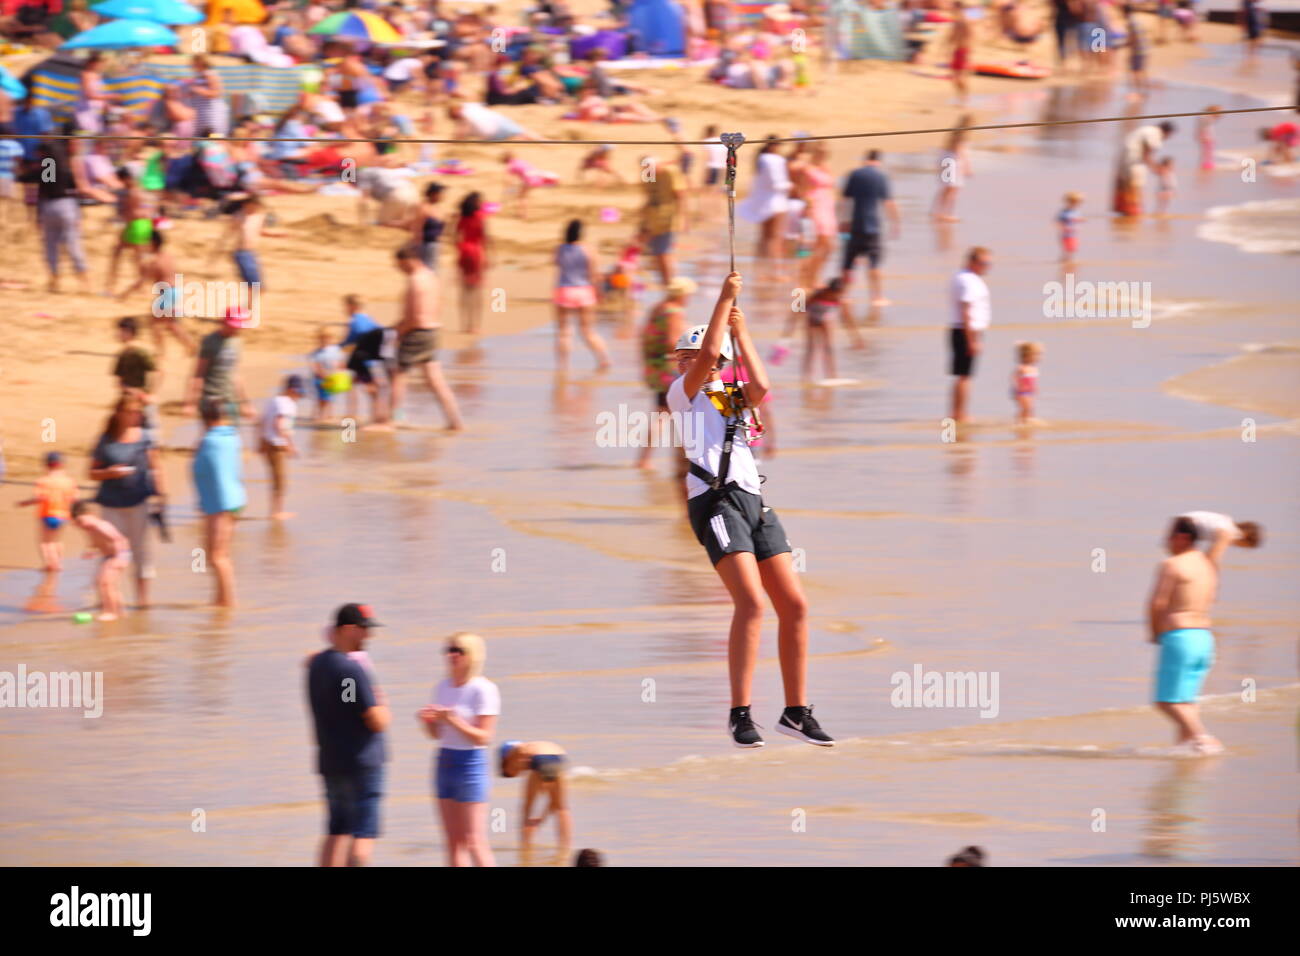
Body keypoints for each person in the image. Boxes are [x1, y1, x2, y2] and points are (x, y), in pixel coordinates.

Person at [666, 272, 834, 749]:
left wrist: (742, 332)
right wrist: (723, 298)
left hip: (753, 501)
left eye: (712, 361)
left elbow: (759, 388)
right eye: (691, 358)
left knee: (795, 605)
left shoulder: (725, 396)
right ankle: (740, 713)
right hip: (713, 501)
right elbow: (702, 357)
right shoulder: (682, 394)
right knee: (751, 603)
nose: (701, 364)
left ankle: (795, 712)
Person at [1146, 516, 1239, 754]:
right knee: (1186, 702)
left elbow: (1157, 603)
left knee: (1166, 701)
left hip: (1181, 638)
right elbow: (1211, 599)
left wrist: (1154, 632)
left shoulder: (1172, 564)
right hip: (1205, 640)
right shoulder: (1208, 566)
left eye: (1169, 536)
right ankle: (1185, 750)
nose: (1166, 541)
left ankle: (1202, 738)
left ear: (1182, 538)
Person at [307, 603, 389, 867]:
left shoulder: (318, 664)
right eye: (364, 630)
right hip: (361, 763)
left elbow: (346, 703)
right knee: (363, 834)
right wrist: (382, 705)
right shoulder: (350, 670)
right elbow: (374, 720)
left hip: (331, 760)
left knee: (336, 830)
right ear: (349, 630)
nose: (369, 637)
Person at [417, 632, 499, 867]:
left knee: (474, 841)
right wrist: (428, 722)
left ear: (472, 655)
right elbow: (437, 735)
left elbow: (484, 737)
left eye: (458, 650)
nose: (452, 655)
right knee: (453, 842)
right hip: (444, 762)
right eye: (449, 650)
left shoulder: (483, 689)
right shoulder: (442, 687)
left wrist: (453, 719)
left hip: (471, 765)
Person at [88, 391, 165, 610]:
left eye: (137, 412)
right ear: (119, 413)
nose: (134, 416)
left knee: (141, 551)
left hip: (138, 501)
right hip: (111, 504)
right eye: (130, 412)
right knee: (112, 551)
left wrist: (161, 496)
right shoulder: (106, 438)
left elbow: (156, 467)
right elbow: (91, 473)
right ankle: (110, 597)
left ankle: (143, 600)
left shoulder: (145, 437)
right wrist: (109, 473)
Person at [391, 244, 465, 430]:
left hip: (416, 332)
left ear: (409, 261)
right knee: (435, 380)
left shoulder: (416, 280)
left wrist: (400, 331)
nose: (401, 270)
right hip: (432, 331)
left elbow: (415, 317)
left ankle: (394, 418)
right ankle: (454, 420)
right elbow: (436, 306)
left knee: (398, 375)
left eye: (401, 266)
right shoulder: (431, 277)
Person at [637, 275, 695, 471]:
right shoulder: (674, 311)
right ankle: (673, 459)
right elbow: (672, 341)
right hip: (669, 369)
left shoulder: (658, 307)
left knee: (664, 413)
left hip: (656, 366)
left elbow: (645, 336)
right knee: (672, 414)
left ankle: (647, 458)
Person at [192, 399, 245, 608]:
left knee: (216, 556)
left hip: (220, 503)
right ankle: (220, 598)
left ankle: (228, 602)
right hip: (233, 500)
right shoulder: (231, 435)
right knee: (219, 555)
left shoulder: (210, 440)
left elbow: (206, 471)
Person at [841, 150, 901, 319]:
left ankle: (845, 294)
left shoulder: (854, 174)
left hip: (855, 224)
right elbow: (889, 202)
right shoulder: (881, 177)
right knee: (874, 262)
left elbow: (845, 200)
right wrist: (895, 222)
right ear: (878, 161)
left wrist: (843, 222)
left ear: (866, 159)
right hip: (873, 226)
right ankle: (877, 297)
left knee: (849, 261)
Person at [16, 451, 78, 603]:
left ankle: (50, 564)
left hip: (47, 514)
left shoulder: (43, 480)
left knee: (45, 542)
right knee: (56, 540)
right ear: (63, 465)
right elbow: (74, 499)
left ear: (46, 465)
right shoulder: (69, 481)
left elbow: (40, 497)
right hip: (63, 515)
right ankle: (59, 562)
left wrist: (25, 503)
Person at [553, 219, 611, 371]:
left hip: (564, 290)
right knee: (588, 331)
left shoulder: (560, 249)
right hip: (584, 291)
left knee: (564, 332)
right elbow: (594, 275)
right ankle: (603, 359)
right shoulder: (588, 250)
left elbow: (558, 265)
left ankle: (563, 366)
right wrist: (600, 293)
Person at [499, 740, 572, 856]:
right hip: (560, 758)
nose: (513, 775)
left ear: (506, 760)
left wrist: (535, 820)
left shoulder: (514, 751)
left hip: (541, 759)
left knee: (527, 807)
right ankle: (565, 848)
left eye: (507, 773)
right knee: (562, 808)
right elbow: (553, 803)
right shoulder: (531, 752)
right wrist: (542, 818)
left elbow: (519, 749)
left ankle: (525, 848)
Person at [184, 308, 254, 422]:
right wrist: (190, 403)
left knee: (230, 436)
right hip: (211, 399)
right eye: (233, 325)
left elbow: (236, 375)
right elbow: (198, 373)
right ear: (224, 322)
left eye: (238, 326)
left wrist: (245, 403)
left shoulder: (237, 342)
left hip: (230, 399)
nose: (235, 329)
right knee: (212, 436)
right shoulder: (210, 341)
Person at [948, 247, 993, 425]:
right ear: (972, 262)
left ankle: (957, 413)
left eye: (989, 263)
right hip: (966, 330)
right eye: (983, 263)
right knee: (964, 376)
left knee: (963, 375)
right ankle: (959, 414)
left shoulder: (962, 277)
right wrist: (972, 340)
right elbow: (966, 311)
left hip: (962, 329)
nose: (987, 267)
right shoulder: (969, 281)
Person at [70, 500, 130, 621]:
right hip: (109, 557)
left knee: (106, 583)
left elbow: (119, 540)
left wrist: (119, 558)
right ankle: (119, 611)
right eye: (77, 523)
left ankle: (110, 612)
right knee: (104, 583)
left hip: (118, 556)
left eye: (81, 521)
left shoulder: (101, 526)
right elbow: (96, 542)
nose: (81, 526)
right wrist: (91, 550)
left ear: (91, 514)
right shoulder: (90, 528)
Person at [738, 135, 791, 265]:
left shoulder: (761, 158)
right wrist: (790, 186)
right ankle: (774, 270)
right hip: (775, 202)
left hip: (762, 202)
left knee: (764, 237)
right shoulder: (774, 159)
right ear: (773, 145)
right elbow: (776, 182)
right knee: (774, 238)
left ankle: (760, 266)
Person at [258, 375, 304, 520]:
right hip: (277, 445)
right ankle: (277, 512)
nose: (300, 397)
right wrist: (289, 445)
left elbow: (262, 421)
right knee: (280, 480)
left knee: (276, 479)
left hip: (269, 442)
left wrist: (260, 442)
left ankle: (276, 510)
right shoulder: (286, 404)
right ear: (291, 390)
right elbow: (279, 425)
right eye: (299, 393)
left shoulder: (274, 400)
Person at [637, 155, 687, 286]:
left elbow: (680, 196)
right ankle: (668, 283)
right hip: (652, 220)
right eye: (646, 168)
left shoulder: (670, 172)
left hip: (667, 220)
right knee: (658, 254)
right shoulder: (647, 174)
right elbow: (649, 196)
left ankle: (670, 283)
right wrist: (643, 219)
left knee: (663, 253)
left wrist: (682, 218)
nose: (649, 171)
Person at [111, 317, 161, 439]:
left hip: (141, 401)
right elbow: (119, 382)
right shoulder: (124, 353)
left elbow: (159, 372)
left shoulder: (140, 352)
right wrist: (131, 391)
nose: (118, 334)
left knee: (147, 434)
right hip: (130, 400)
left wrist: (150, 393)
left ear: (128, 332)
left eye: (121, 331)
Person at [1113, 121, 1174, 217]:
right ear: (1167, 132)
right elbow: (1147, 153)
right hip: (1134, 161)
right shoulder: (1155, 134)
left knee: (1127, 185)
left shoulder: (1147, 130)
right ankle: (1133, 213)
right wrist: (1156, 168)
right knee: (1135, 185)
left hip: (1126, 158)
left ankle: (1127, 213)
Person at [452, 191, 489, 335]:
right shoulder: (480, 217)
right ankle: (475, 325)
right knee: (476, 291)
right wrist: (488, 256)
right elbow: (485, 238)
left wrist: (459, 248)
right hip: (476, 253)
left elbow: (454, 235)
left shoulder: (462, 218)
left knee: (464, 290)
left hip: (464, 252)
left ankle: (464, 324)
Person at [803, 278, 844, 383]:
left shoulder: (838, 298)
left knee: (828, 347)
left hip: (826, 316)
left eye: (837, 293)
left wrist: (856, 337)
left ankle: (831, 374)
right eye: (833, 293)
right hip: (813, 315)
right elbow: (802, 307)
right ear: (829, 289)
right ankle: (807, 374)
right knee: (811, 348)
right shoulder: (818, 294)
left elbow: (848, 319)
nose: (834, 295)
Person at [932, 121, 972, 223]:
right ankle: (946, 214)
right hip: (952, 162)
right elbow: (960, 152)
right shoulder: (961, 136)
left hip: (946, 159)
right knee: (952, 190)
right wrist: (967, 167)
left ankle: (938, 212)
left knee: (946, 189)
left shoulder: (954, 132)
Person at [309, 328, 346, 421]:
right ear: (318, 340)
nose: (324, 341)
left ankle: (328, 415)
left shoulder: (335, 350)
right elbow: (314, 366)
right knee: (322, 398)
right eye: (321, 339)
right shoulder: (316, 353)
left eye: (326, 338)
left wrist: (338, 370)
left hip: (332, 378)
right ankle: (321, 415)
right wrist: (321, 373)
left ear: (331, 339)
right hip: (320, 378)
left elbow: (341, 362)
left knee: (329, 398)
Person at [411, 182, 445, 270]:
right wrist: (417, 246)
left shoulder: (436, 208)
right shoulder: (423, 207)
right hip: (425, 245)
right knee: (427, 270)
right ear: (433, 194)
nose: (442, 196)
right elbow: (417, 227)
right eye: (440, 194)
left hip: (434, 245)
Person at [1011, 341, 1043, 425]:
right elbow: (1013, 377)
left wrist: (1036, 389)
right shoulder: (1022, 368)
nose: (1038, 357)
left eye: (1039, 355)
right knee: (1026, 408)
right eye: (1036, 355)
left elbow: (1034, 381)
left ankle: (1026, 421)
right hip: (1022, 392)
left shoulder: (1034, 368)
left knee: (1030, 408)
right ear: (1027, 356)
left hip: (1030, 392)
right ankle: (1019, 421)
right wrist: (1016, 389)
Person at [949, 4, 973, 103]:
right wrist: (945, 48)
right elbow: (952, 37)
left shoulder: (966, 22)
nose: (953, 12)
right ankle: (960, 96)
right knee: (955, 78)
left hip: (963, 51)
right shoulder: (956, 23)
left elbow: (971, 37)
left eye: (955, 10)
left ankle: (964, 96)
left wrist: (968, 54)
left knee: (961, 78)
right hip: (956, 51)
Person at [1057, 191, 1084, 264]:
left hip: (1074, 233)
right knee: (1070, 248)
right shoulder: (1064, 212)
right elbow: (1058, 221)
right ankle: (1067, 262)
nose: (1075, 204)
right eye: (1073, 202)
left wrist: (1081, 220)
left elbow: (1078, 219)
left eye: (1077, 203)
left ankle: (1066, 261)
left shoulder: (1076, 212)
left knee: (1073, 248)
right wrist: (1063, 228)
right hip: (1067, 234)